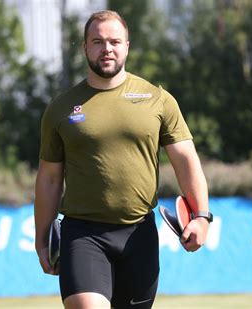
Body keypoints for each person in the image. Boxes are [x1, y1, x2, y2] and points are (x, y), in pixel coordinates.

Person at [34, 10, 210, 309]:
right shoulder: (61, 108)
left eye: (114, 41)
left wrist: (202, 217)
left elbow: (185, 160)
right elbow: (50, 178)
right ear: (84, 47)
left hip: (139, 235)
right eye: (98, 41)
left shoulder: (157, 99)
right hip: (82, 235)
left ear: (127, 45)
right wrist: (42, 239)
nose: (107, 49)